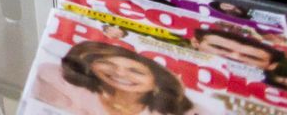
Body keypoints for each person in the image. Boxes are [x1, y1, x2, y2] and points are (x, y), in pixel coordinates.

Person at [30, 41, 194, 115]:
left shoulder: (179, 110)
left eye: (136, 71)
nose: (120, 73)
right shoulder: (59, 82)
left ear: (157, 82)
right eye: (107, 64)